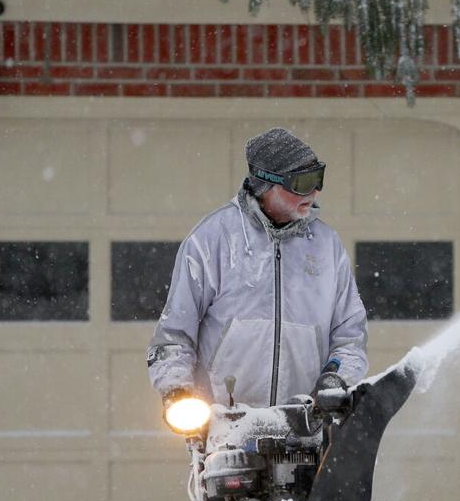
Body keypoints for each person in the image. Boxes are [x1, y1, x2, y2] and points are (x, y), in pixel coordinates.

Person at [147, 127, 368, 412]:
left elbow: (350, 334)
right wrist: (176, 390)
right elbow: (175, 334)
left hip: (306, 424)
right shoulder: (213, 239)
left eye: (318, 179)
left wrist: (336, 378)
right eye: (302, 182)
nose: (314, 191)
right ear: (267, 184)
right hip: (223, 423)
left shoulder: (326, 246)